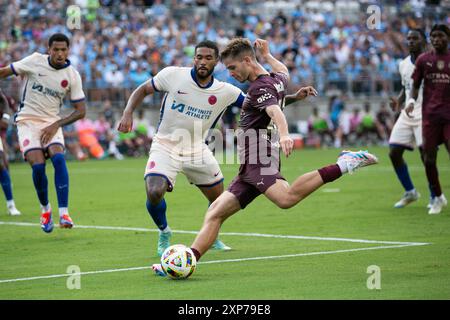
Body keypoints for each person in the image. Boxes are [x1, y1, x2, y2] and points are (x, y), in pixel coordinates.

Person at [152, 38, 378, 276]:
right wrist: (269, 57)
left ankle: (345, 163)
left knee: (286, 199)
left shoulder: (259, 87)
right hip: (250, 164)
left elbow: (274, 109)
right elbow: (284, 71)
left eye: (232, 67)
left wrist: (286, 134)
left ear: (247, 60)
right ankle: (185, 261)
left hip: (259, 157)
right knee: (216, 212)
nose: (230, 73)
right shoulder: (276, 79)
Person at [118, 40, 308, 256]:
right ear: (194, 59)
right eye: (199, 57)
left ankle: (212, 235)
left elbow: (262, 105)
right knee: (154, 191)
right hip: (165, 145)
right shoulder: (173, 75)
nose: (202, 61)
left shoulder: (225, 91)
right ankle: (164, 232)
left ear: (217, 62)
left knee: (219, 200)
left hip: (198, 150)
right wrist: (127, 112)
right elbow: (142, 90)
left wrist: (294, 98)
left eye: (208, 58)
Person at [0, 33, 86, 232]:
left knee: (58, 159)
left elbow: (81, 111)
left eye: (63, 50)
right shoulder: (34, 61)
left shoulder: (72, 75)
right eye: (55, 49)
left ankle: (64, 213)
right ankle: (45, 210)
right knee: (38, 166)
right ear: (49, 50)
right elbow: (5, 71)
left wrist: (57, 124)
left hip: (51, 123)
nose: (59, 53)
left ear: (68, 50)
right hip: (27, 121)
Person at [388, 29, 436, 209]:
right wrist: (398, 102)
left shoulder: (432, 62)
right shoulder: (403, 64)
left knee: (426, 156)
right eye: (408, 39)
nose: (410, 41)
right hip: (407, 113)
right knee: (394, 152)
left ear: (424, 41)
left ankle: (435, 195)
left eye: (415, 38)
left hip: (426, 113)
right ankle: (410, 192)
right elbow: (406, 87)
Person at [406, 24, 450, 214]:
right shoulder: (424, 60)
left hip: (449, 116)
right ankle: (438, 197)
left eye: (440, 36)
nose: (436, 39)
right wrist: (410, 101)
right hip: (430, 117)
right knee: (428, 159)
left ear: (447, 38)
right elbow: (415, 85)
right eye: (433, 36)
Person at [0, 90, 21, 215]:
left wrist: (6, 117)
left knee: (2, 164)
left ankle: (11, 205)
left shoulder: (4, 97)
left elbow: (4, 101)